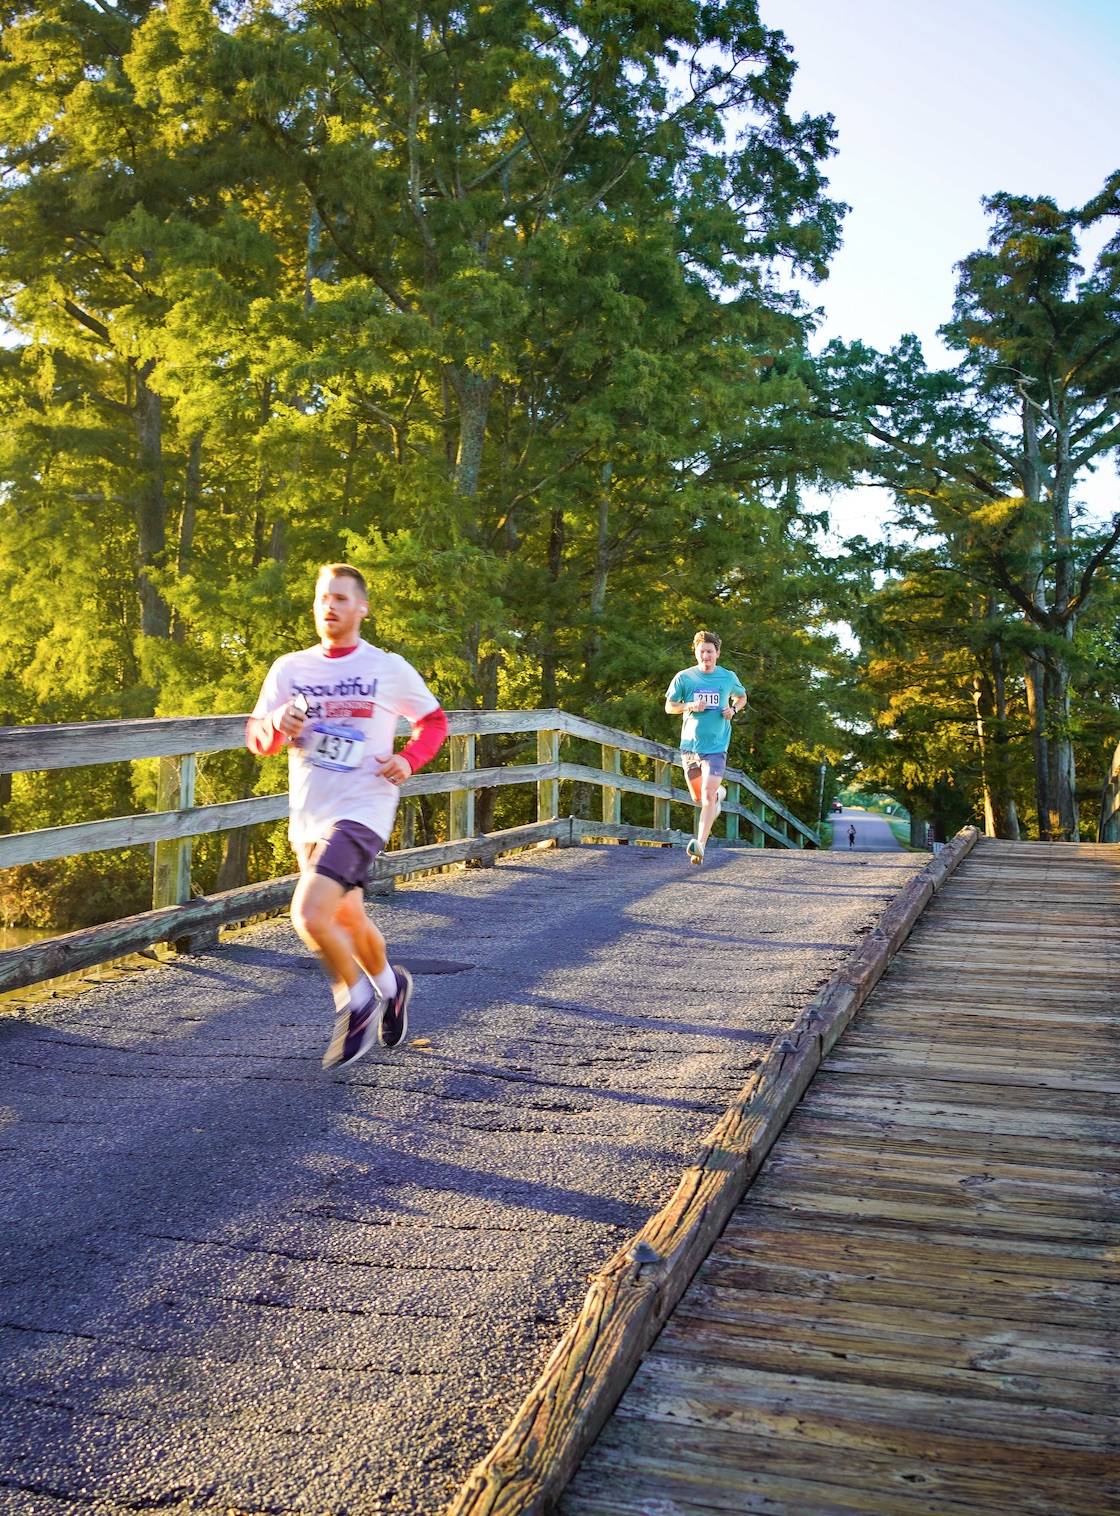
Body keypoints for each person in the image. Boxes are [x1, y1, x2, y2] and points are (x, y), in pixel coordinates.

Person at [246, 564, 448, 1070]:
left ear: (362, 608)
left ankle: (357, 1001)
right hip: (309, 811)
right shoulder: (289, 668)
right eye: (322, 598)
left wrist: (409, 759)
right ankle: (391, 986)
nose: (329, 606)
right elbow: (258, 740)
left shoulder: (386, 667)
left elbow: (433, 721)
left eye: (340, 598)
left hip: (364, 806)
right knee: (347, 916)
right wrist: (277, 722)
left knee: (308, 914)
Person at [664, 631, 747, 867]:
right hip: (690, 747)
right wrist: (690, 705)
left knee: (707, 795)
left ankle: (699, 845)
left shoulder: (728, 677)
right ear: (696, 653)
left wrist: (733, 710)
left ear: (717, 653)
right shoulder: (684, 678)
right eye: (702, 651)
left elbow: (742, 697)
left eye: (710, 651)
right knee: (699, 797)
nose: (705, 656)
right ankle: (719, 795)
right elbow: (669, 706)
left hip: (716, 746)